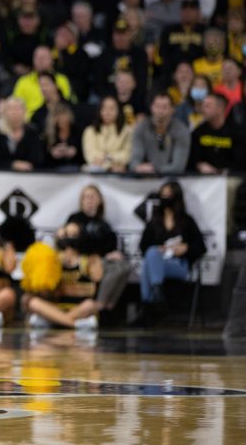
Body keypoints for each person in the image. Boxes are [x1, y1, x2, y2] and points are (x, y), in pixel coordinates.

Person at [138, 181, 206, 322]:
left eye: (169, 195)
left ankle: (149, 305)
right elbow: (143, 247)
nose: (165, 199)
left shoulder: (187, 221)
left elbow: (200, 247)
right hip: (158, 262)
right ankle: (157, 292)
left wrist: (185, 248)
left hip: (179, 264)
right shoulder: (154, 221)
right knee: (151, 255)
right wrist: (161, 249)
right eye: (162, 195)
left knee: (149, 261)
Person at [66, 185, 130, 319]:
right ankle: (99, 305)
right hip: (83, 259)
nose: (88, 200)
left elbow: (109, 245)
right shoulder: (75, 219)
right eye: (85, 197)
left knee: (125, 266)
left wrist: (112, 254)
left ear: (99, 200)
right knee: (116, 269)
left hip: (100, 259)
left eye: (92, 196)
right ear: (81, 201)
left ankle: (109, 304)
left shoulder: (104, 224)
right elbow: (74, 242)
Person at [23, 222, 102, 330]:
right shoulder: (53, 258)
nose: (69, 239)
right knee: (33, 302)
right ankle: (74, 324)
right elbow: (46, 291)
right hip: (58, 307)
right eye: (66, 234)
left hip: (80, 308)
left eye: (73, 235)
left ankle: (55, 320)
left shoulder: (88, 259)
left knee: (90, 305)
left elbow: (98, 277)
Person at [130, 92, 191, 174]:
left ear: (172, 109)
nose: (160, 111)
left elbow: (178, 166)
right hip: (144, 178)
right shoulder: (141, 128)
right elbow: (134, 162)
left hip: (172, 179)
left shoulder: (181, 130)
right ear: (151, 107)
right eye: (157, 106)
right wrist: (138, 167)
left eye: (165, 107)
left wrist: (155, 170)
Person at [188, 92, 242, 174]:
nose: (202, 109)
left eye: (207, 106)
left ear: (219, 109)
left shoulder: (236, 132)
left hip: (230, 179)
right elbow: (193, 160)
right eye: (202, 105)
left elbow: (240, 162)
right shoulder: (198, 132)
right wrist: (199, 165)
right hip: (204, 180)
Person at [0, 97, 43, 171]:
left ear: (24, 111)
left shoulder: (32, 132)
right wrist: (13, 164)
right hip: (4, 174)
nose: (14, 112)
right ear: (5, 112)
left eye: (18, 108)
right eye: (11, 109)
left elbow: (38, 158)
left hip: (30, 174)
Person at [82, 96, 132, 173]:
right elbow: (90, 155)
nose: (107, 112)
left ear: (118, 111)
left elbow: (127, 154)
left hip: (119, 172)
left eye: (112, 108)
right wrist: (109, 166)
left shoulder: (127, 130)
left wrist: (108, 157)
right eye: (104, 108)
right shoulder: (90, 130)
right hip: (96, 170)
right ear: (99, 110)